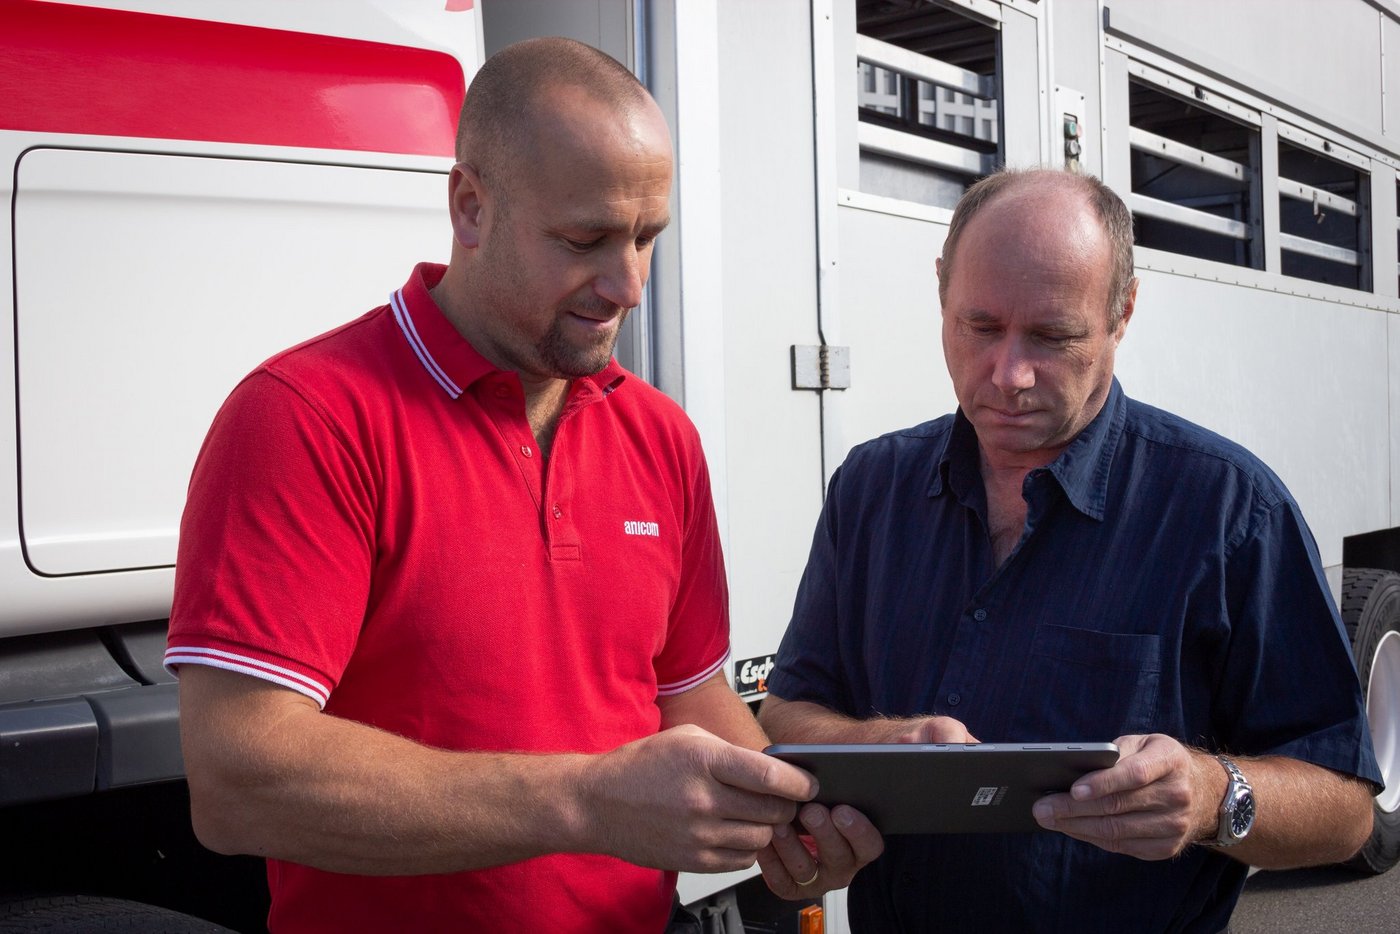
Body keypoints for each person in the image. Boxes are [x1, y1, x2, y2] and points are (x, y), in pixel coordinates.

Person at [166, 38, 877, 933]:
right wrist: (583, 800)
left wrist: (803, 816)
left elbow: (689, 702)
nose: (628, 284)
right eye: (585, 240)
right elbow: (238, 784)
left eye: (647, 237)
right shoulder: (306, 418)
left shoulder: (660, 437)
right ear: (470, 206)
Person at [758, 166, 1383, 932]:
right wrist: (882, 744)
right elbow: (789, 710)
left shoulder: (1228, 511)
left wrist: (1213, 796)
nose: (1008, 375)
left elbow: (1347, 811)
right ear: (940, 290)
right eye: (979, 327)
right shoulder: (871, 488)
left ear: (1122, 312)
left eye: (1053, 337)